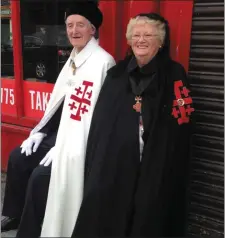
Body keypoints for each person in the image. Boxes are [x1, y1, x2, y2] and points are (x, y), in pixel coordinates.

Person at [71, 13, 195, 237]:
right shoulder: (116, 75)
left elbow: (180, 124)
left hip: (155, 163)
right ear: (129, 40)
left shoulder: (174, 74)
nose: (141, 40)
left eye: (148, 35)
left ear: (161, 41)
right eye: (136, 35)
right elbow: (102, 124)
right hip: (116, 164)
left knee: (149, 212)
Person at [1, 1, 115, 237]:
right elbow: (60, 104)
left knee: (39, 177)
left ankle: (31, 229)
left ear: (92, 29)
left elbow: (97, 117)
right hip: (59, 133)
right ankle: (14, 213)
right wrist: (41, 132)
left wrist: (63, 145)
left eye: (80, 25)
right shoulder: (72, 58)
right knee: (18, 158)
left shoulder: (103, 62)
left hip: (79, 140)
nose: (73, 31)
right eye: (70, 25)